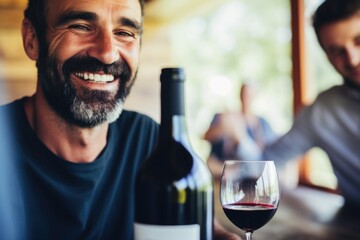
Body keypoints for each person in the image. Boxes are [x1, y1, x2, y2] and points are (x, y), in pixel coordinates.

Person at [0, 0, 240, 239]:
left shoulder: (152, 143)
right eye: (81, 26)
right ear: (32, 39)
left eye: (124, 33)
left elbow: (201, 228)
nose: (107, 53)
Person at [236, 0, 360, 209]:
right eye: (337, 51)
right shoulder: (322, 112)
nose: (352, 59)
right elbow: (265, 163)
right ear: (327, 57)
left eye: (358, 40)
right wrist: (238, 137)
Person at [204, 83, 277, 178]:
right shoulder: (225, 117)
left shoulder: (262, 124)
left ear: (254, 97)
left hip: (247, 173)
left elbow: (267, 154)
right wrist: (222, 128)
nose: (246, 98)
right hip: (219, 169)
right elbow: (205, 136)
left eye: (249, 95)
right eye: (244, 94)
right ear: (240, 95)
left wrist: (238, 135)